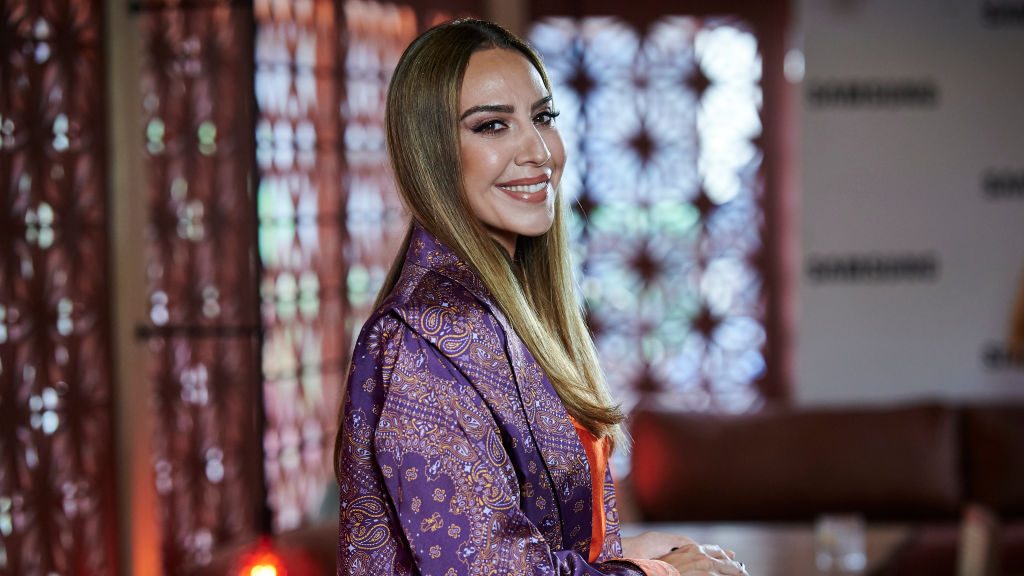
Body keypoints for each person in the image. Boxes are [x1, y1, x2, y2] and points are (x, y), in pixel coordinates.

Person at [335, 18, 749, 576]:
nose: (538, 151)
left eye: (543, 117)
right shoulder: (426, 337)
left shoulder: (507, 312)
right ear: (429, 153)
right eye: (491, 126)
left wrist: (617, 552)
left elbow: (517, 533)